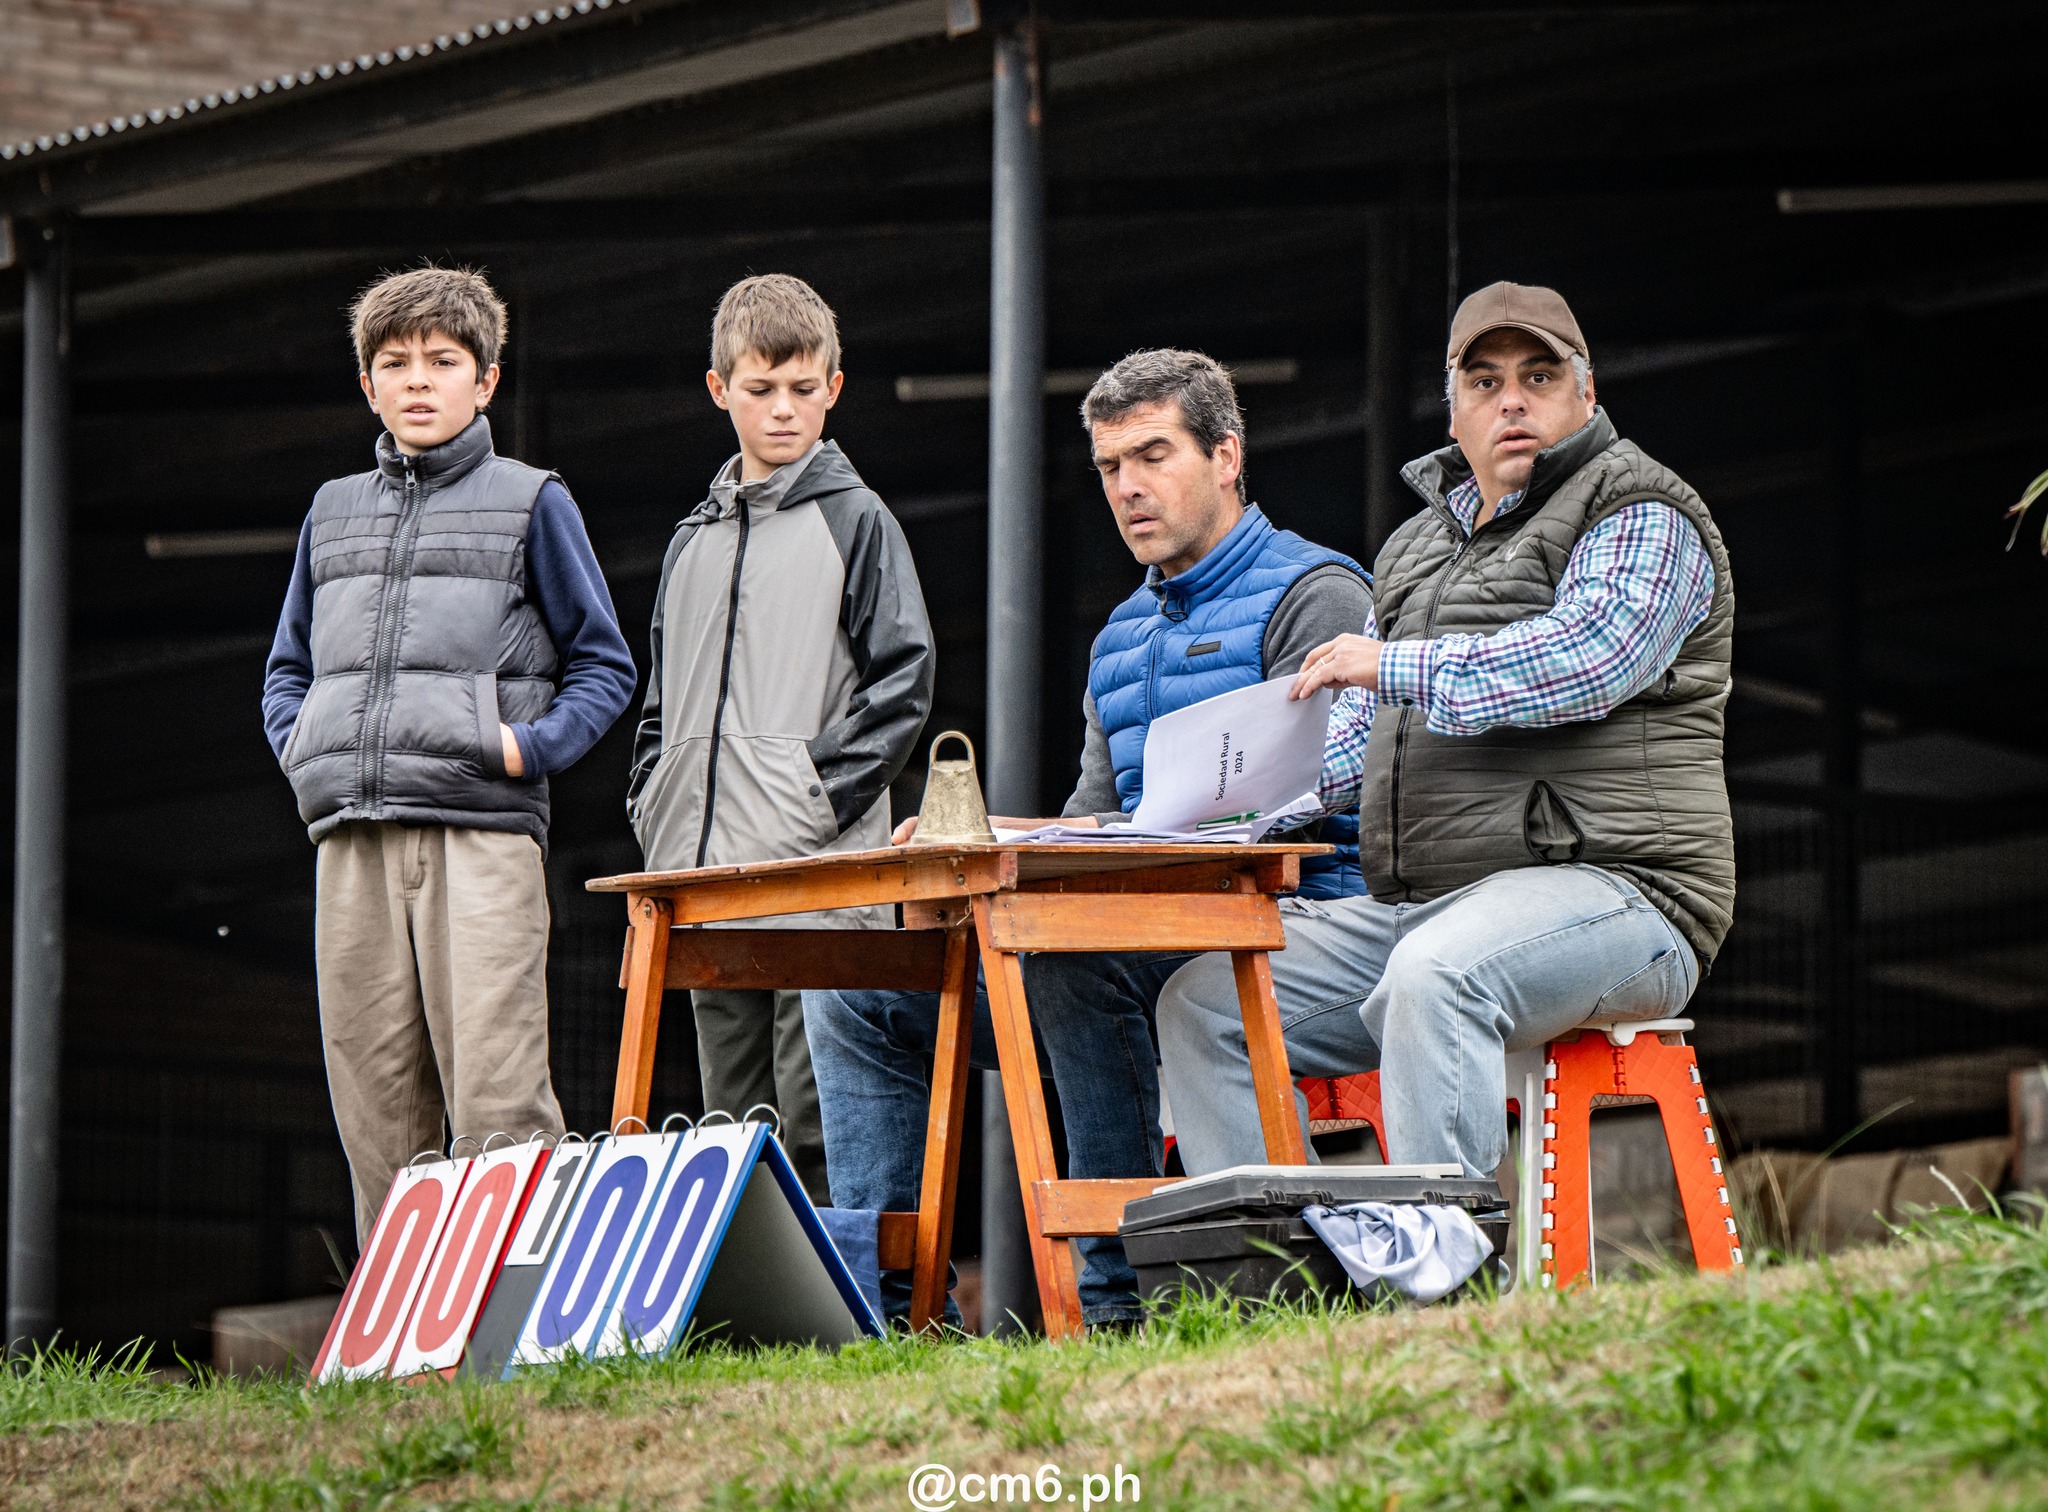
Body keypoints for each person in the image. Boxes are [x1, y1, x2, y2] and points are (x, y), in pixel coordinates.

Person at [804, 349, 1372, 1329]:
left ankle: (1116, 1307)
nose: (1127, 488)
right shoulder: (1117, 638)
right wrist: (973, 833)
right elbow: (1097, 821)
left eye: (1153, 455)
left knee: (1077, 960)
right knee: (858, 983)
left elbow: (1343, 793)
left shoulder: (1314, 593)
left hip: (1284, 936)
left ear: (1227, 455)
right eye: (1110, 466)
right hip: (1128, 943)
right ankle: (887, 1320)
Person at [1156, 281, 1735, 1185]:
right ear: (1454, 410)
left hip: (1627, 895)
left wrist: (1392, 666)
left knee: (1436, 977)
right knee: (1203, 1002)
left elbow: (1587, 662)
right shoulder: (1415, 551)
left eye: (1539, 376)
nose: (1513, 400)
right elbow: (1345, 749)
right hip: (1430, 904)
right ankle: (1288, 1291)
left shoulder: (1643, 510)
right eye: (1486, 381)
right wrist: (1191, 823)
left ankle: (1441, 1293)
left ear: (1587, 395)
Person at [263, 264, 637, 1242]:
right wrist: (306, 749)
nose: (418, 381)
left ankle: (516, 1340)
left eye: (442, 360)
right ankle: (401, 1357)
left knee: (500, 1094)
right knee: (374, 1103)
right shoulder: (329, 511)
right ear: (367, 385)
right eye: (396, 363)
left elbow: (603, 662)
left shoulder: (531, 501)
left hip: (480, 833)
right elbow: (285, 670)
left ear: (486, 379)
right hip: (349, 838)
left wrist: (525, 748)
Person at [627, 274, 935, 1204]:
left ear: (834, 389)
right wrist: (654, 801)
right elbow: (657, 704)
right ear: (719, 389)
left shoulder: (859, 520)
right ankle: (748, 1325)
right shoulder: (690, 541)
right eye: (761, 390)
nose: (783, 410)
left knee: (813, 1119)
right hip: (704, 876)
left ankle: (836, 1324)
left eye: (804, 388)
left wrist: (813, 799)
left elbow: (906, 681)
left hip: (818, 876)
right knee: (727, 1122)